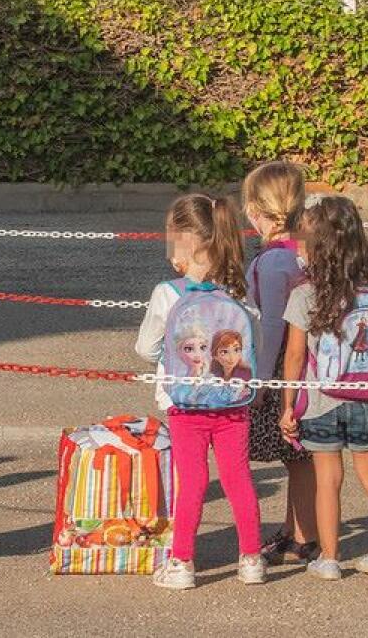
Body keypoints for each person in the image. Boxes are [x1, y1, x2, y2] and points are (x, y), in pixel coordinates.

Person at [136, 193, 264, 590]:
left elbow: (145, 348)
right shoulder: (237, 291)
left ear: (182, 243)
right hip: (232, 402)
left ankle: (183, 563)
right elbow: (254, 342)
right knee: (238, 477)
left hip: (186, 403)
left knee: (191, 481)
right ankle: (252, 559)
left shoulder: (167, 293)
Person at [280, 196, 368, 580]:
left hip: (321, 402)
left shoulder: (305, 294)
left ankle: (330, 558)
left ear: (315, 245)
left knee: (327, 479)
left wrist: (289, 406)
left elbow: (294, 357)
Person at [242, 161, 319, 566]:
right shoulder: (304, 252)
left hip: (284, 367)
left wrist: (259, 383)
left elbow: (273, 325)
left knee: (297, 455)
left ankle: (305, 535)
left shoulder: (273, 262)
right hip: (309, 362)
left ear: (259, 211)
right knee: (298, 456)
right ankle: (294, 529)